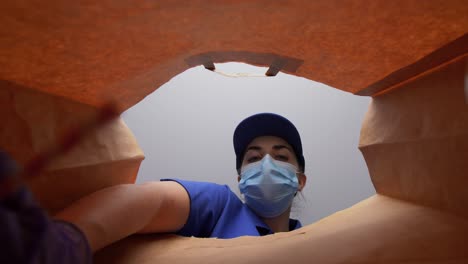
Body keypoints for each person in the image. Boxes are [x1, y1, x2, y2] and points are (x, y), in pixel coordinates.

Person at [55, 113, 308, 252]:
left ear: (300, 180)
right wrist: (62, 241)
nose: (266, 164)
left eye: (280, 156)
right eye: (254, 157)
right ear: (240, 178)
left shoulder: (313, 243)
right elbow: (149, 201)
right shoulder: (220, 206)